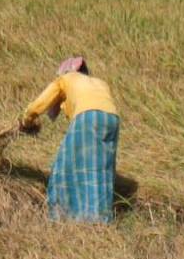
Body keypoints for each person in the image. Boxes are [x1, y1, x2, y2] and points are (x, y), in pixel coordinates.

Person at [20, 56, 119, 223]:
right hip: (112, 120)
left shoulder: (66, 79)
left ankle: (63, 215)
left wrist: (26, 121)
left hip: (87, 117)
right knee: (101, 168)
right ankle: (100, 217)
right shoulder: (100, 83)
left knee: (64, 166)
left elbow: (39, 103)